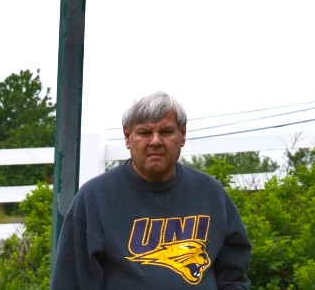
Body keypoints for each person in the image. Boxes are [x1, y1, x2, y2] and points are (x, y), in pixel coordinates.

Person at [52, 91, 251, 289]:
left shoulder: (211, 194)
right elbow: (70, 282)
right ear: (128, 137)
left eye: (166, 132)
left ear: (182, 135)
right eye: (144, 133)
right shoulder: (95, 199)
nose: (155, 141)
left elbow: (233, 275)